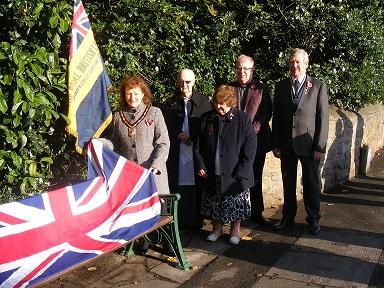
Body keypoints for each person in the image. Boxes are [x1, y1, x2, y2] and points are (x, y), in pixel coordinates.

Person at [99, 75, 171, 252]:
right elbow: (115, 142)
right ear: (124, 95)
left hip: (155, 173)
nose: (133, 98)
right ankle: (145, 240)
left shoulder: (154, 113)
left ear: (143, 93)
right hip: (132, 176)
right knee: (140, 210)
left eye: (136, 94)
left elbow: (164, 143)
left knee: (162, 209)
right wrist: (99, 143)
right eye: (129, 94)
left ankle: (169, 242)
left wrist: (156, 164)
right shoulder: (118, 116)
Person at [271, 48, 329, 235]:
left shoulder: (318, 86)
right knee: (288, 182)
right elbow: (277, 117)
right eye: (291, 62)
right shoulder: (280, 86)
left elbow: (323, 118)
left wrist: (319, 146)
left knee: (312, 183)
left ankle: (313, 218)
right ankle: (288, 215)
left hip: (310, 145)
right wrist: (276, 144)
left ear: (306, 64)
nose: (294, 65)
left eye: (298, 62)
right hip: (287, 144)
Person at [193, 84, 257, 245]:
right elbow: (198, 144)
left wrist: (243, 169)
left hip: (234, 172)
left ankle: (235, 231)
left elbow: (250, 145)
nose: (219, 107)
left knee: (235, 202)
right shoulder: (207, 118)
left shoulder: (242, 118)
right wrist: (200, 164)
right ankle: (217, 229)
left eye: (222, 104)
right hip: (211, 170)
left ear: (231, 103)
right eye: (216, 103)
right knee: (214, 201)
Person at [162, 68, 212, 229]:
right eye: (182, 81)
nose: (185, 85)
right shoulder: (171, 103)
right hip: (177, 152)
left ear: (194, 82)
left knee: (195, 184)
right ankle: (179, 219)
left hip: (195, 151)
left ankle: (196, 219)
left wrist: (192, 133)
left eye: (188, 81)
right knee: (178, 183)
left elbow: (207, 127)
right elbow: (165, 128)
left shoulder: (203, 101)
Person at [230, 54, 273, 226]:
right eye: (239, 68)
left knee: (255, 177)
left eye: (246, 68)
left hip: (257, 141)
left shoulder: (261, 88)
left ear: (252, 71)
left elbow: (266, 113)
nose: (242, 72)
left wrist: (251, 131)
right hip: (234, 142)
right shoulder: (229, 88)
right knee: (235, 177)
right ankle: (235, 213)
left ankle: (257, 212)